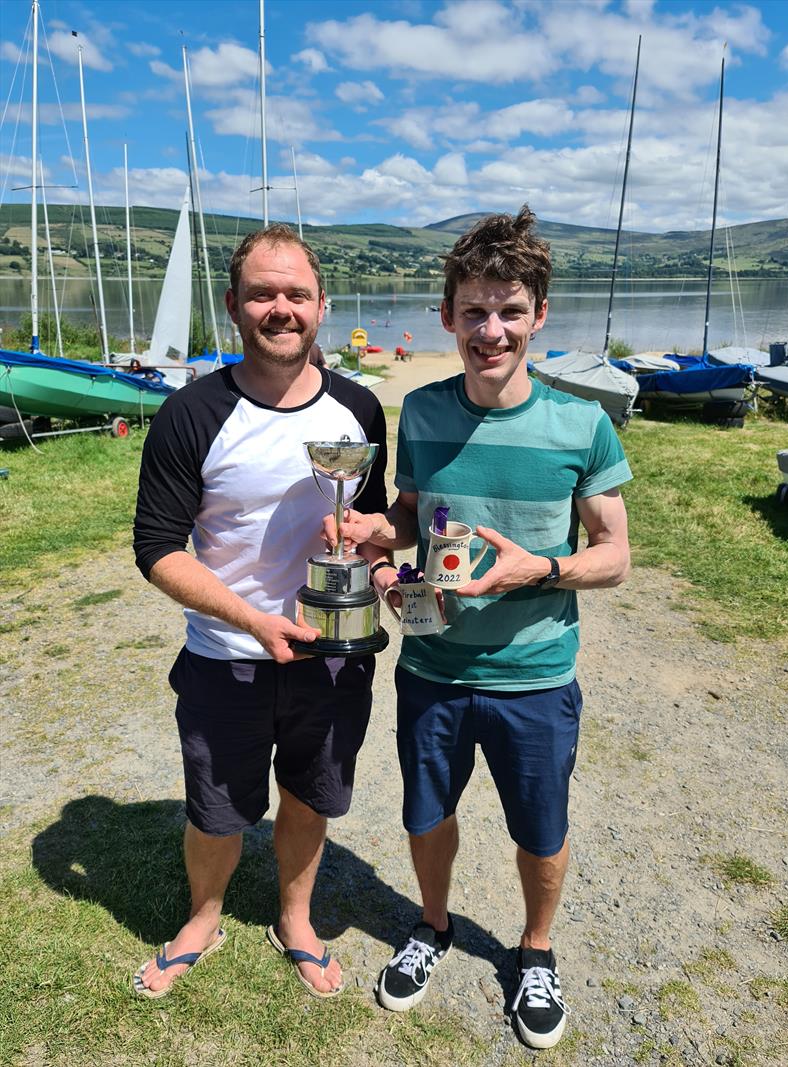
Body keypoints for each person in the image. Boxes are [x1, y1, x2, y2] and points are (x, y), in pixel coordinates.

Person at [324, 206, 632, 1049]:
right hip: (432, 670)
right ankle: (432, 925)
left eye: (509, 309)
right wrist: (380, 560)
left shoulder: (583, 424)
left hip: (535, 676)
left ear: (539, 314)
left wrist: (543, 568)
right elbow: (408, 517)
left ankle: (535, 950)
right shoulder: (420, 411)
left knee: (542, 830)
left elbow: (614, 555)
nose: (490, 330)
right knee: (427, 817)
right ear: (448, 316)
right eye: (473, 311)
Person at [132, 223, 389, 1000]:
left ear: (322, 305)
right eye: (263, 293)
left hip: (332, 655)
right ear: (234, 305)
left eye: (297, 293)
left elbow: (372, 525)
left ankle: (296, 918)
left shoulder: (359, 409)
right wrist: (251, 619)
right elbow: (156, 547)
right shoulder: (191, 412)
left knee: (310, 795)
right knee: (216, 808)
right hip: (224, 657)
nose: (281, 308)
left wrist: (376, 563)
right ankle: (203, 916)